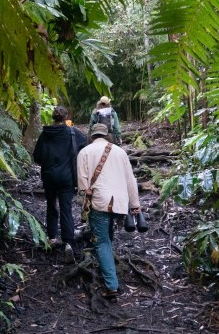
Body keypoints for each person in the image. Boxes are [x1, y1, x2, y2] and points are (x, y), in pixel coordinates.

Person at [77, 123, 140, 298]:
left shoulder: (85, 152)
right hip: (120, 202)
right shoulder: (120, 152)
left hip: (100, 202)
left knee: (102, 241)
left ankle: (111, 285)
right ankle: (109, 266)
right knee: (107, 235)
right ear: (107, 135)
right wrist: (135, 205)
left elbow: (83, 186)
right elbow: (130, 180)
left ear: (91, 135)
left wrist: (85, 195)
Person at [33, 106, 88, 260]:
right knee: (66, 208)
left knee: (51, 205)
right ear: (66, 117)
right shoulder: (72, 132)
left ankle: (51, 238)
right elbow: (85, 147)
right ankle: (68, 243)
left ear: (53, 117)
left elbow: (37, 156)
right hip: (67, 178)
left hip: (49, 176)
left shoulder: (45, 134)